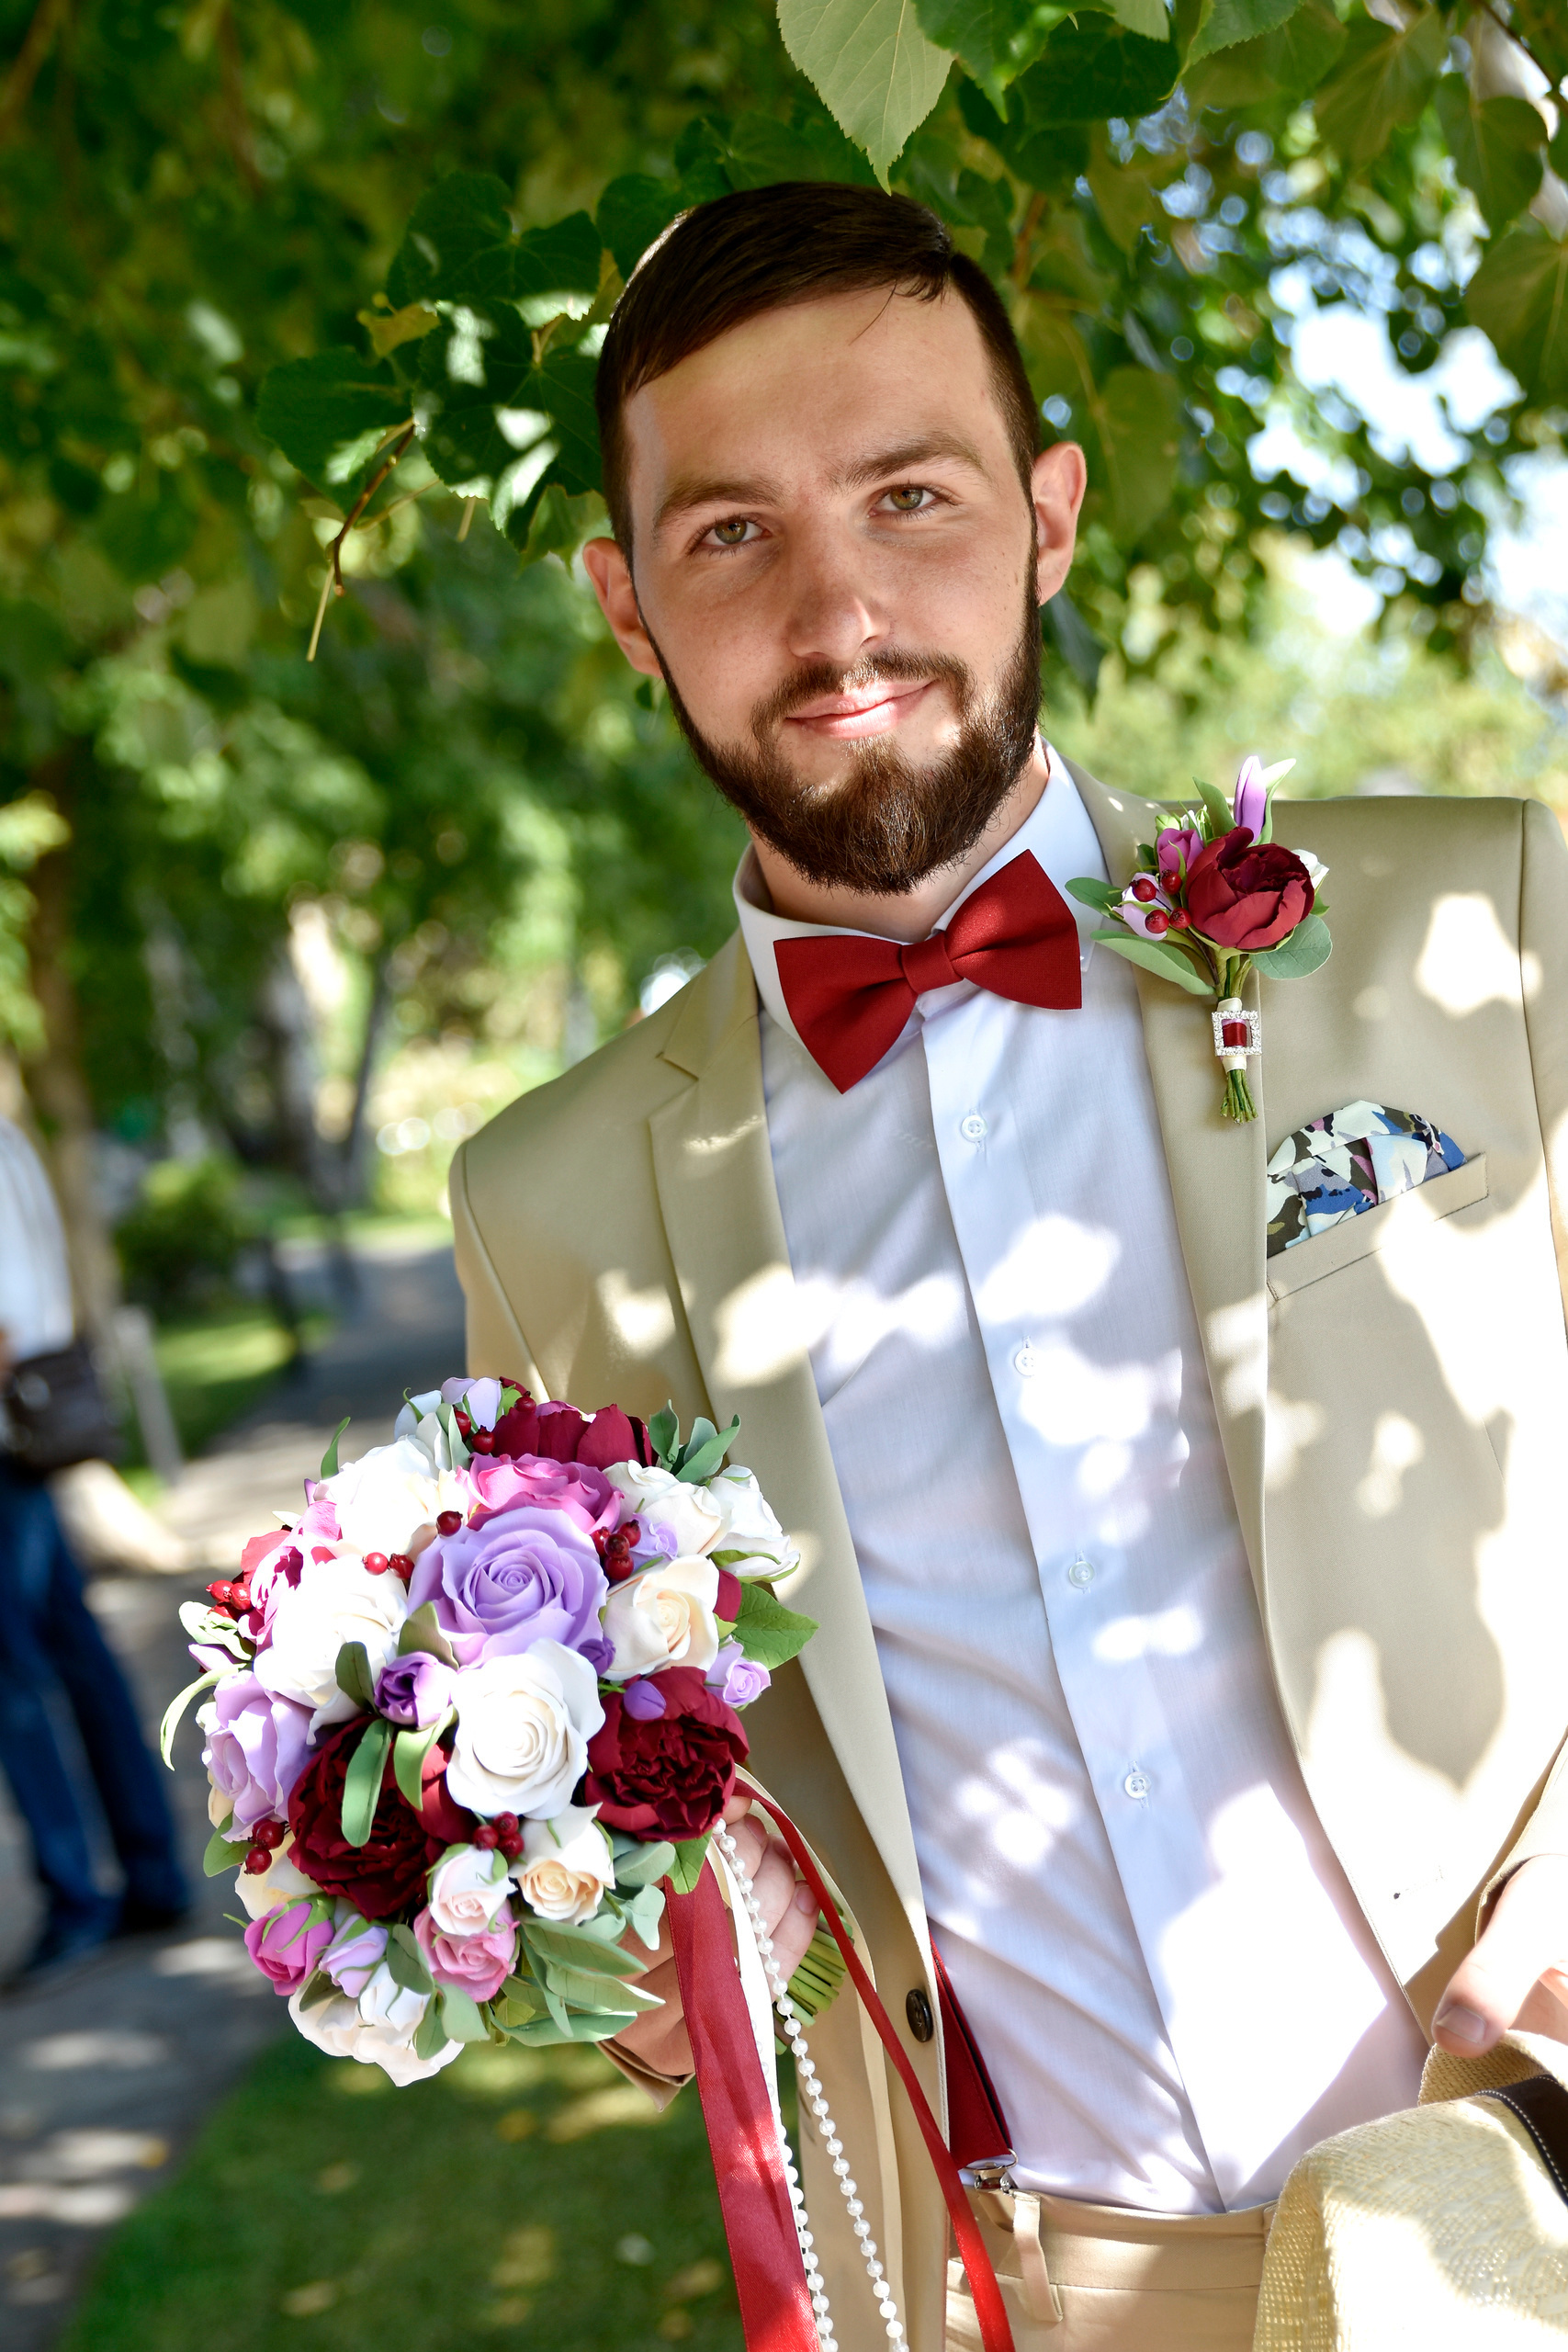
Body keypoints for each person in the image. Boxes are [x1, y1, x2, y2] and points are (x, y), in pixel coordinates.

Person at [449, 183, 1568, 2348]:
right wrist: (568, 1929)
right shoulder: (545, 1204)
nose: (837, 607)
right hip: (1019, 2284)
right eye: (727, 535)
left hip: (1520, 2186)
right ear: (619, 599)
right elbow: (626, 1817)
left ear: (1045, 512)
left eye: (908, 494)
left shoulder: (1470, 932)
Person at [0, 1116, 188, 1983]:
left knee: (18, 1678)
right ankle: (147, 1870)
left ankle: (77, 1890)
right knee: (75, 1654)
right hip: (31, 1432)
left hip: (8, 1441)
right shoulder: (13, 1137)